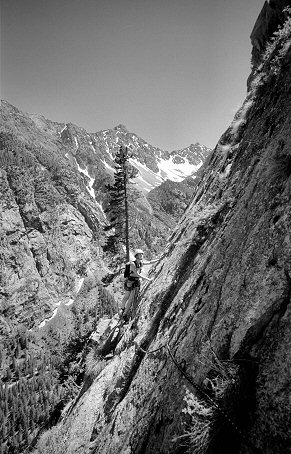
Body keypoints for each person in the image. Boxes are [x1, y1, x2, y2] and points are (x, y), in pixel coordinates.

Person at [119, 248, 159, 321]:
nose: (141, 256)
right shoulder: (132, 264)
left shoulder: (140, 263)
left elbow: (150, 262)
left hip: (133, 282)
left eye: (142, 254)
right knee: (127, 297)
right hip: (130, 281)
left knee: (130, 298)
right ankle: (123, 310)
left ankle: (124, 312)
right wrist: (148, 279)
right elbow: (137, 274)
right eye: (140, 254)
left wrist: (159, 260)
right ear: (136, 256)